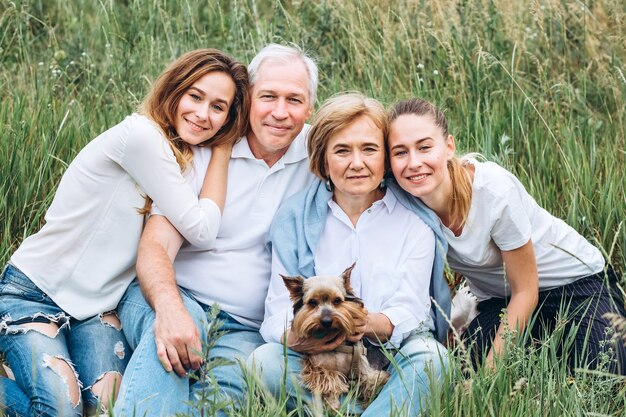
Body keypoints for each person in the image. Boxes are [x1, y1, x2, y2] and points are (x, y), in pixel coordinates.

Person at [0, 48, 249, 416]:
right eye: (195, 96)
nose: (202, 114)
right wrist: (225, 150)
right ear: (175, 90)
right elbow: (202, 229)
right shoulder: (141, 137)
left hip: (99, 308)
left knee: (107, 409)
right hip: (36, 292)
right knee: (60, 410)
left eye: (218, 107)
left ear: (229, 116)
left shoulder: (184, 158)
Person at [113, 43, 318, 416]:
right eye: (268, 96)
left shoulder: (321, 157)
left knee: (216, 403)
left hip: (245, 325)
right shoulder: (205, 147)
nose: (280, 112)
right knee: (168, 363)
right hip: (177, 295)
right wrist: (171, 310)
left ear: (310, 109)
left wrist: (460, 168)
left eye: (294, 100)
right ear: (247, 99)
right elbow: (155, 246)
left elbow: (381, 148)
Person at [387, 97, 626, 373]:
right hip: (500, 299)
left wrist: (489, 375)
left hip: (575, 286)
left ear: (449, 146)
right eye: (400, 152)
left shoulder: (493, 192)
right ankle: (536, 337)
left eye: (425, 147)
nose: (414, 162)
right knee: (463, 366)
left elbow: (526, 291)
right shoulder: (403, 200)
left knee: (602, 371)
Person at [249, 93, 450, 416]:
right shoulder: (294, 220)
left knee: (433, 362)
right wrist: (310, 336)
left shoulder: (414, 220)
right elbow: (275, 315)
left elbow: (412, 310)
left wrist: (364, 324)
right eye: (342, 151)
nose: (357, 163)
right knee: (264, 363)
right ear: (323, 160)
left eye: (369, 149)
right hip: (321, 356)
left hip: (394, 348)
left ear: (385, 157)